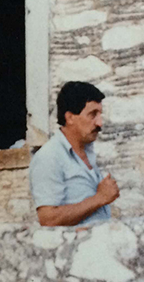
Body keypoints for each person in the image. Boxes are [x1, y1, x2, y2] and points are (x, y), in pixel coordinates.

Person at [28, 81, 120, 226]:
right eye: (92, 114)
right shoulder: (49, 157)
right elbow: (48, 219)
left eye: (100, 114)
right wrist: (100, 198)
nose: (100, 123)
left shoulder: (87, 151)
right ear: (70, 117)